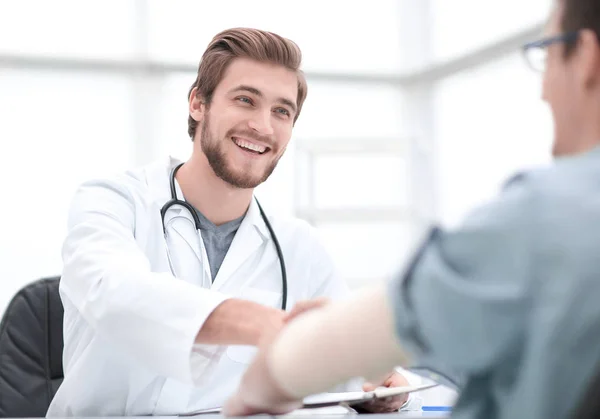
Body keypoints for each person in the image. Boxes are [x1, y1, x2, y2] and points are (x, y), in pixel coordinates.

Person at [224, 1, 600, 418]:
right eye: (245, 100)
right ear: (197, 104)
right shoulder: (137, 205)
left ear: (584, 56)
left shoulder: (551, 213)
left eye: (547, 53)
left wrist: (256, 390)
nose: (543, 89)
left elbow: (350, 339)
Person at [46, 28, 411, 417]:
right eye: (245, 100)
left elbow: (341, 363)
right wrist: (262, 324)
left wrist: (385, 389)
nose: (263, 126)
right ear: (198, 103)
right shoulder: (113, 201)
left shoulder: (299, 246)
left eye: (281, 111)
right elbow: (114, 293)